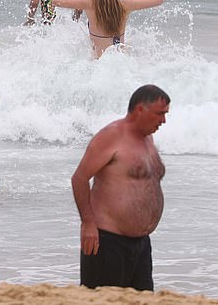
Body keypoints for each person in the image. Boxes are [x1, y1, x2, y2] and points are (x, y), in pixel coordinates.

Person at [72, 84, 170, 291]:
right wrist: (88, 224)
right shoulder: (111, 136)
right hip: (107, 242)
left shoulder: (148, 139)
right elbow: (79, 178)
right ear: (140, 110)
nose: (163, 121)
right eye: (160, 114)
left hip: (141, 245)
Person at [52, 0, 164, 58]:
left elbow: (56, 1)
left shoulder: (89, 4)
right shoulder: (125, 5)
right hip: (119, 60)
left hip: (98, 64)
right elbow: (159, 0)